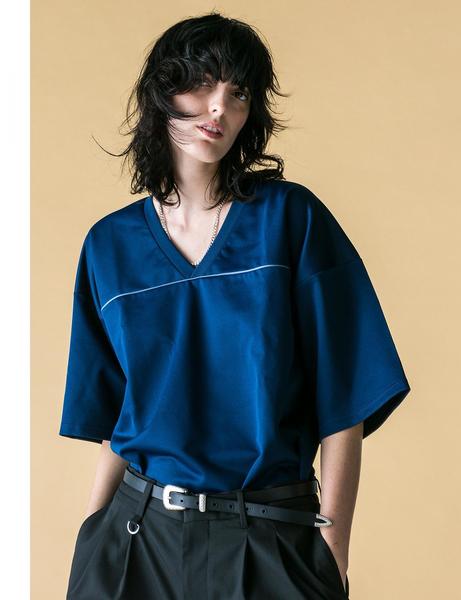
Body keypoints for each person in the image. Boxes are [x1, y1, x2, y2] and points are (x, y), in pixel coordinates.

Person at [58, 11, 411, 600]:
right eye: (202, 82)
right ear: (163, 92)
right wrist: (91, 542)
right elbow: (117, 420)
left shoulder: (291, 221)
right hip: (137, 539)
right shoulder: (108, 246)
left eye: (238, 93)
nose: (219, 106)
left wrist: (333, 551)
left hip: (270, 535)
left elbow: (345, 395)